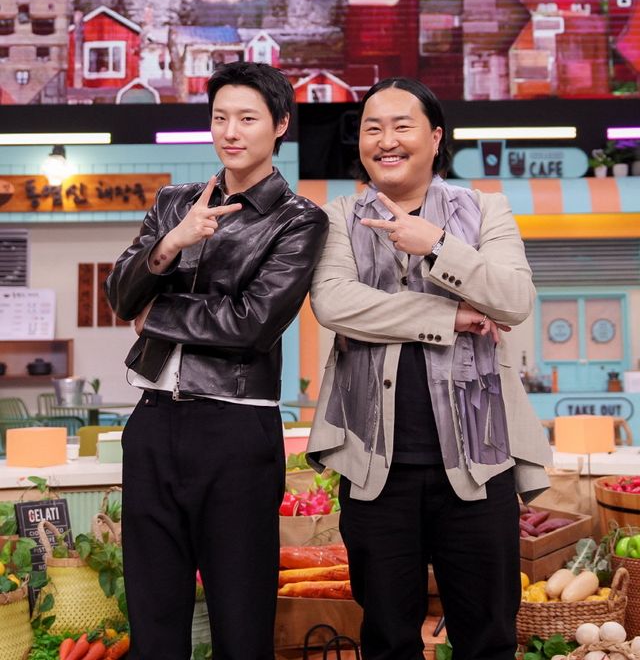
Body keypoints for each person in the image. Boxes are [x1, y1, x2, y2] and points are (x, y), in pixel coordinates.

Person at [307, 77, 552, 660]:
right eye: (372, 128)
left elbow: (514, 299)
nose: (386, 140)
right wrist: (451, 316)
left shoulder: (486, 209)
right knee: (387, 639)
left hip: (480, 462)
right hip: (374, 468)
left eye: (402, 126)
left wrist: (437, 244)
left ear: (436, 137)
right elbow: (334, 303)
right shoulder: (339, 216)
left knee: (488, 637)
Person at [106, 61, 329, 660]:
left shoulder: (299, 219)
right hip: (153, 420)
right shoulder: (174, 202)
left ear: (279, 125)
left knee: (240, 620)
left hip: (235, 427)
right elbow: (119, 296)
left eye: (247, 118)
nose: (230, 131)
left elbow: (252, 323)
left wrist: (156, 314)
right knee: (154, 616)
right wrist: (173, 242)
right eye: (220, 117)